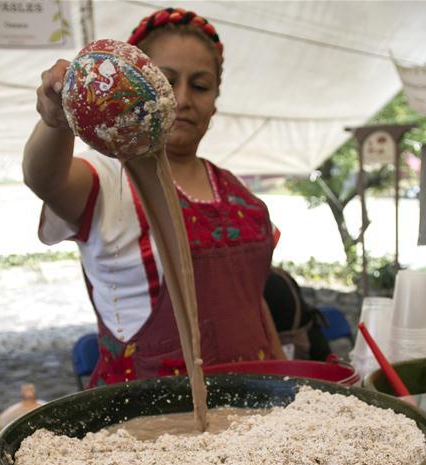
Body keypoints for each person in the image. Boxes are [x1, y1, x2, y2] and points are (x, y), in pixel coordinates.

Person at [23, 7, 284, 387]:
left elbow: (252, 303)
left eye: (200, 85)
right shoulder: (108, 176)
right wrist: (54, 121)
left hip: (252, 408)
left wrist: (284, 377)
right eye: (165, 82)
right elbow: (44, 179)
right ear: (129, 87)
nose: (181, 100)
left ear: (216, 98)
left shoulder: (240, 195)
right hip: (141, 416)